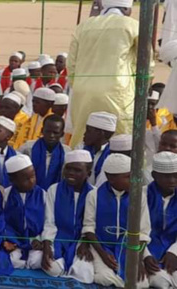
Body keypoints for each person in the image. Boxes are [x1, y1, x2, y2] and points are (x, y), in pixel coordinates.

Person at [68, 0, 152, 147]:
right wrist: (143, 88)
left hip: (83, 93)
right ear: (127, 9)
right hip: (119, 92)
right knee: (122, 140)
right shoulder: (132, 25)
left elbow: (71, 65)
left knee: (82, 136)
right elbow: (146, 63)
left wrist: (78, 86)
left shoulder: (83, 26)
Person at [80, 153, 152, 287]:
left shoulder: (138, 196)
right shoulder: (94, 195)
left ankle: (120, 280)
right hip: (101, 246)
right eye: (128, 176)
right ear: (111, 178)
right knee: (104, 278)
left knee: (142, 284)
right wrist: (103, 255)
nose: (133, 180)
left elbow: (143, 232)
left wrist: (137, 261)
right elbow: (89, 227)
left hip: (129, 248)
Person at [39, 150, 94, 281]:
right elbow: (49, 222)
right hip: (58, 237)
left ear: (88, 173)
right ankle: (63, 263)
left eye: (77, 170)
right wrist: (47, 246)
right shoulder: (54, 189)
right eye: (68, 168)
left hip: (82, 240)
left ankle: (69, 264)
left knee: (84, 274)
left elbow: (92, 225)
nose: (71, 173)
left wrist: (85, 242)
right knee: (51, 268)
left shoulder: (94, 193)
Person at [1, 155, 46, 270]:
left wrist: (40, 239)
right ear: (13, 180)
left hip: (34, 239)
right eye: (26, 179)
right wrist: (7, 240)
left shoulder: (43, 195)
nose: (32, 181)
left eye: (33, 176)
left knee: (37, 261)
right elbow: (0, 221)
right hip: (13, 240)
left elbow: (48, 221)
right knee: (9, 259)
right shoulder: (5, 195)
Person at [144, 151, 177, 288]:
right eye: (166, 176)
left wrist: (174, 252)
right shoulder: (141, 195)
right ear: (154, 176)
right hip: (146, 251)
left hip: (173, 249)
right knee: (160, 281)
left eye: (176, 176)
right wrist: (145, 256)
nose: (172, 181)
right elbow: (134, 231)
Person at [19, 115, 69, 190]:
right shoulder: (28, 148)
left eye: (55, 133)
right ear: (42, 131)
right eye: (48, 131)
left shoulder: (67, 152)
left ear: (62, 134)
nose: (51, 135)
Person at [78, 112, 117, 184]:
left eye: (88, 131)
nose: (84, 134)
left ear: (100, 133)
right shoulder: (80, 148)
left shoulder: (111, 155)